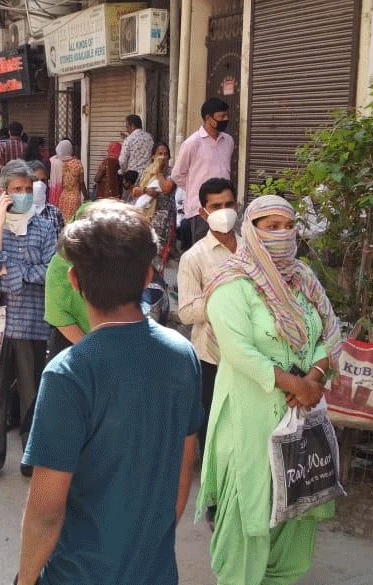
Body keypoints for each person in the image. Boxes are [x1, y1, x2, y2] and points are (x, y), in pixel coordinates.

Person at [18, 200, 203, 585]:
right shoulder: (181, 353)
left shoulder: (68, 373)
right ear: (148, 276)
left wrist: (25, 578)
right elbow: (185, 463)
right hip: (155, 570)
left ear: (73, 280)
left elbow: (46, 512)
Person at [197, 195, 341, 585]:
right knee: (250, 510)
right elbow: (239, 350)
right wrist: (294, 383)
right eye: (270, 226)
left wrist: (314, 376)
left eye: (287, 226)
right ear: (251, 230)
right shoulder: (233, 283)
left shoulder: (303, 279)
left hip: (301, 415)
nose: (281, 234)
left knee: (296, 510)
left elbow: (328, 332)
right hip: (251, 414)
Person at [0, 159, 58, 488]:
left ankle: (31, 456)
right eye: (16, 190)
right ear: (4, 193)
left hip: (33, 323)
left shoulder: (44, 227)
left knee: (32, 393)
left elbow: (52, 270)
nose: (23, 195)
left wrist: (14, 274)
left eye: (27, 189)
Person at [177, 178, 239, 449]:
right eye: (216, 206)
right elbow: (186, 312)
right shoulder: (194, 257)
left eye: (228, 204)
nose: (224, 211)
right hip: (211, 357)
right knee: (212, 428)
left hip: (251, 353)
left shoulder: (253, 248)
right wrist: (224, 301)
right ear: (203, 212)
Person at [171, 97, 235, 251]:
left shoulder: (228, 141)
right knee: (205, 252)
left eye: (227, 116)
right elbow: (177, 174)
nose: (225, 120)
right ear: (208, 118)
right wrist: (196, 190)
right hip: (201, 210)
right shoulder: (192, 143)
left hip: (225, 208)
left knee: (225, 251)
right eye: (221, 117)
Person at [43, 203, 92, 361]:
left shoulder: (116, 261)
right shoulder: (61, 263)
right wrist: (93, 349)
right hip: (69, 345)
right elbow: (59, 315)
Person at [134, 142, 177, 267]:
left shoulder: (172, 173)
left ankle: (157, 280)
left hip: (164, 217)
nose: (163, 157)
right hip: (146, 216)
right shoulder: (146, 172)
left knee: (159, 252)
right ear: (153, 156)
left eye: (166, 154)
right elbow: (135, 191)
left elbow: (166, 189)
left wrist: (158, 172)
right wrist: (146, 190)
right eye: (159, 154)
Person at [50, 140, 86, 220]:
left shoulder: (58, 164)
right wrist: (87, 197)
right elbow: (81, 183)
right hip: (75, 198)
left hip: (63, 197)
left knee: (63, 221)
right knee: (73, 221)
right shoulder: (77, 164)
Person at [27, 160, 65, 234]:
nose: (40, 184)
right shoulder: (18, 213)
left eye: (43, 180)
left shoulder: (55, 213)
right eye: (35, 180)